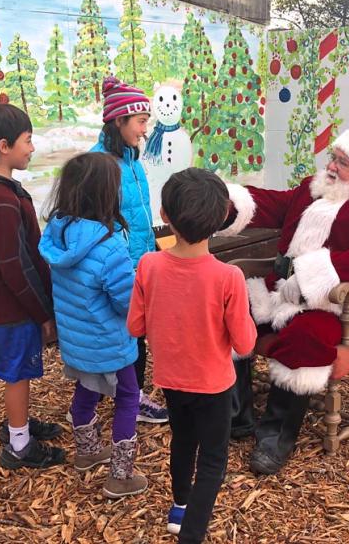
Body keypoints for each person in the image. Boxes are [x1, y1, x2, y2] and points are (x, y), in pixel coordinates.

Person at [222, 121, 349, 475]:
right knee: (230, 311)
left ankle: (277, 433)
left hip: (336, 305)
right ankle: (237, 415)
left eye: (343, 162)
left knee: (305, 337)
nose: (332, 167)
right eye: (333, 157)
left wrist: (310, 276)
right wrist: (227, 200)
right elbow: (272, 204)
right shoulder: (313, 191)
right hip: (280, 291)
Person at [127, 169, 257, 543]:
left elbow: (135, 327)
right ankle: (192, 533)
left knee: (182, 441)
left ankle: (179, 506)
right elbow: (245, 344)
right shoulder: (227, 277)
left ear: (164, 215)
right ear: (220, 221)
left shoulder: (149, 264)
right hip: (214, 384)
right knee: (213, 459)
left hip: (171, 378)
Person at [39, 152, 147, 498]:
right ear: (106, 194)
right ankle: (120, 475)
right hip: (109, 343)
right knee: (128, 397)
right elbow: (125, 303)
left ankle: (87, 453)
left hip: (77, 341)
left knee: (86, 389)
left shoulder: (59, 233)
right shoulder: (110, 246)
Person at [0, 103, 65, 470]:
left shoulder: (3, 190)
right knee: (18, 374)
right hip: (13, 310)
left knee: (21, 372)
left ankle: (18, 424)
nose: (33, 147)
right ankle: (19, 445)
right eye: (28, 140)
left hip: (15, 306)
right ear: (5, 146)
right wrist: (41, 311)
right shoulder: (2, 203)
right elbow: (14, 268)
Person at [90, 75, 168, 424]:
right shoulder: (98, 165)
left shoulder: (132, 160)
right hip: (118, 267)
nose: (145, 128)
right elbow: (95, 223)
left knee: (134, 332)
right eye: (140, 121)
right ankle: (125, 400)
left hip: (140, 262)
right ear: (118, 120)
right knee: (122, 335)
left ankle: (130, 395)